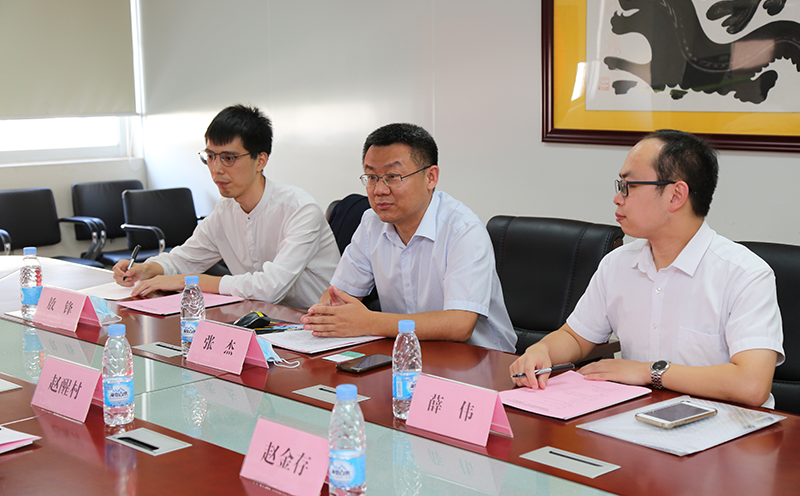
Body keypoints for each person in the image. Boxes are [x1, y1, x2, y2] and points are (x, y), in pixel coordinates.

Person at [510, 130, 784, 407]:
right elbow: (575, 337)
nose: (617, 198)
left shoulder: (745, 275)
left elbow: (751, 385)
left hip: (724, 424)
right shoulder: (618, 264)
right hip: (637, 414)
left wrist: (647, 372)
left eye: (629, 186)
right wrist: (542, 351)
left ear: (676, 195)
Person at [301, 123, 517, 353]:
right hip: (407, 353)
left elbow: (459, 325)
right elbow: (338, 295)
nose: (379, 190)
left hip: (480, 359)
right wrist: (327, 314)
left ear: (431, 177)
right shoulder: (371, 223)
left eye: (392, 176)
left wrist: (369, 322)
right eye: (372, 177)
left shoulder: (463, 229)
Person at [112, 105, 340, 310]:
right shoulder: (226, 209)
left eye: (228, 158)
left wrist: (190, 281)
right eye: (211, 156)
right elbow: (186, 258)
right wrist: (147, 269)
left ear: (260, 161)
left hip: (314, 323)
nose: (216, 169)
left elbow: (270, 288)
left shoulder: (300, 210)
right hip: (258, 318)